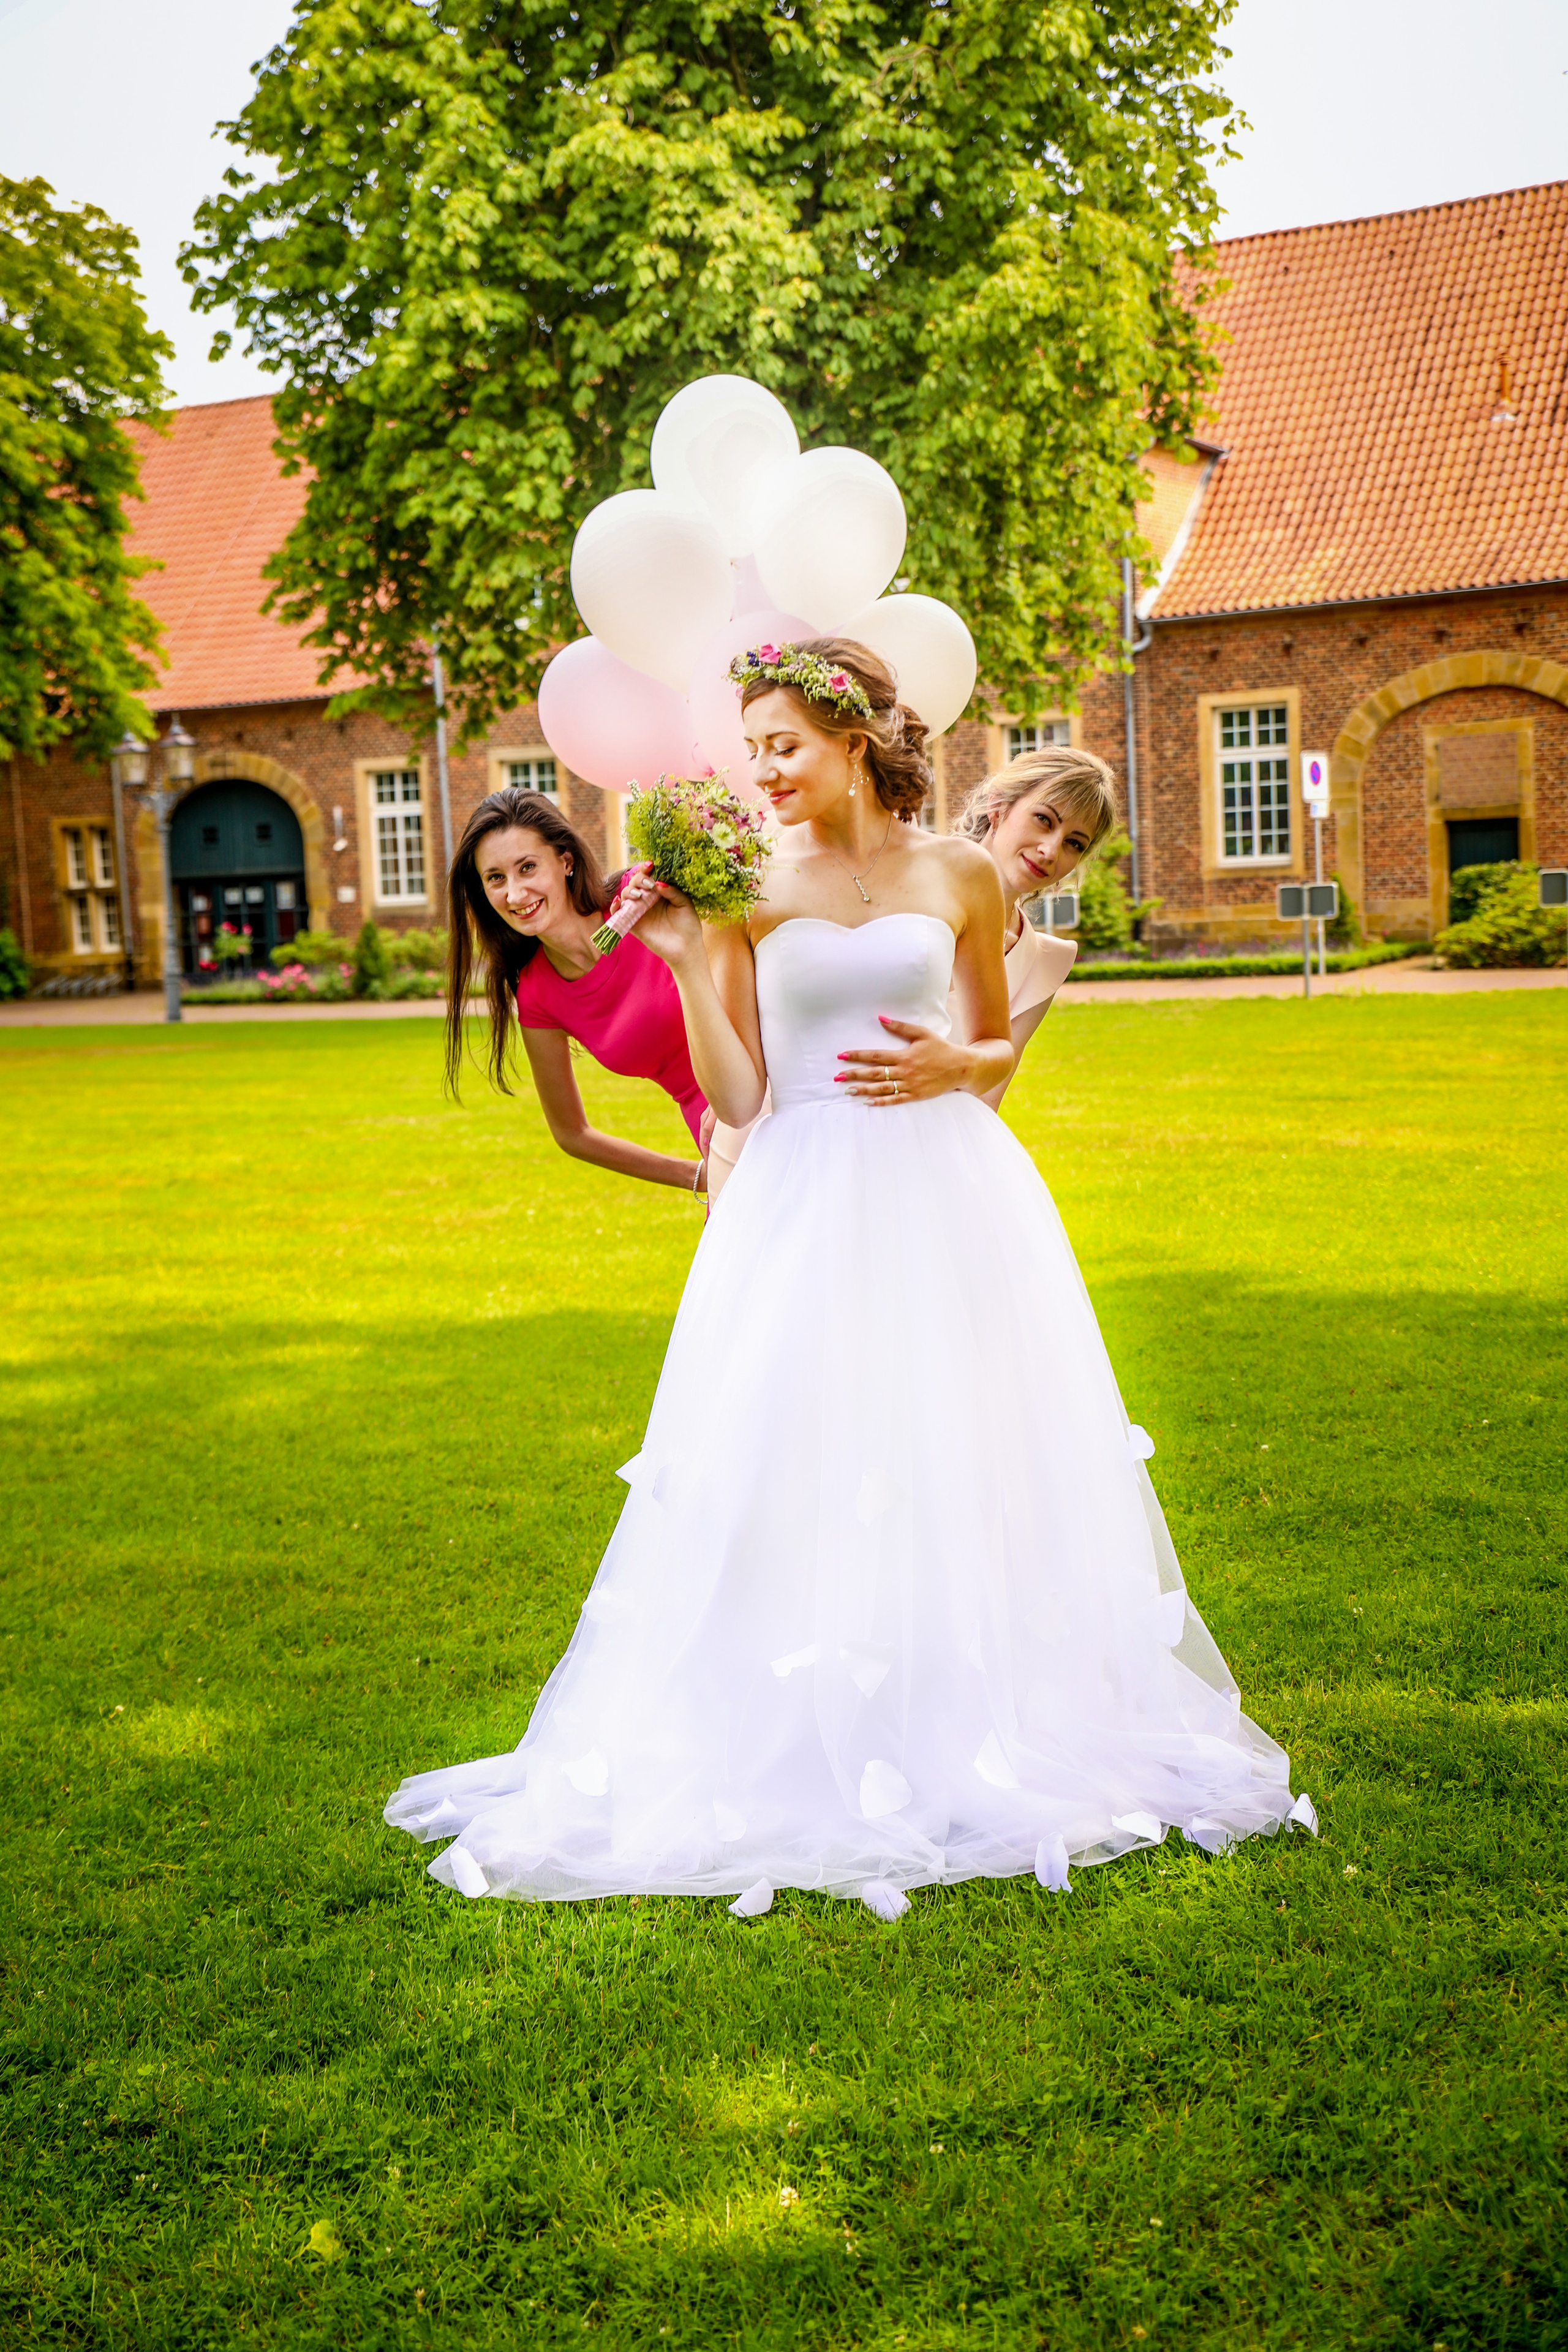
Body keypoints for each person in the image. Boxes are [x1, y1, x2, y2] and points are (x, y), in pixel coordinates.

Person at [389, 640, 1313, 1918]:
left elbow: (992, 1044)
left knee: (959, 1434)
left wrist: (955, 1066)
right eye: (752, 748)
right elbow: (737, 1095)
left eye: (783, 746)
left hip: (948, 1182)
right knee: (798, 1443)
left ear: (854, 741)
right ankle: (809, 1705)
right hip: (802, 1188)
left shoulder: (957, 874)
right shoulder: (746, 886)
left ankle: (970, 1695)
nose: (763, 770)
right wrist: (681, 956)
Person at [445, 785, 712, 1197]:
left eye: (527, 868)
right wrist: (695, 1176)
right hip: (715, 1139)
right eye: (496, 878)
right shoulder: (538, 996)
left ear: (565, 861)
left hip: (772, 1087)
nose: (514, 894)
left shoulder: (640, 897)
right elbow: (572, 1133)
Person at [953, 744, 1118, 1109]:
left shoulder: (1044, 962)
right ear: (998, 807)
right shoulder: (907, 891)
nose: (1051, 851)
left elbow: (985, 1100)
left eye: (1074, 843)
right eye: (1044, 819)